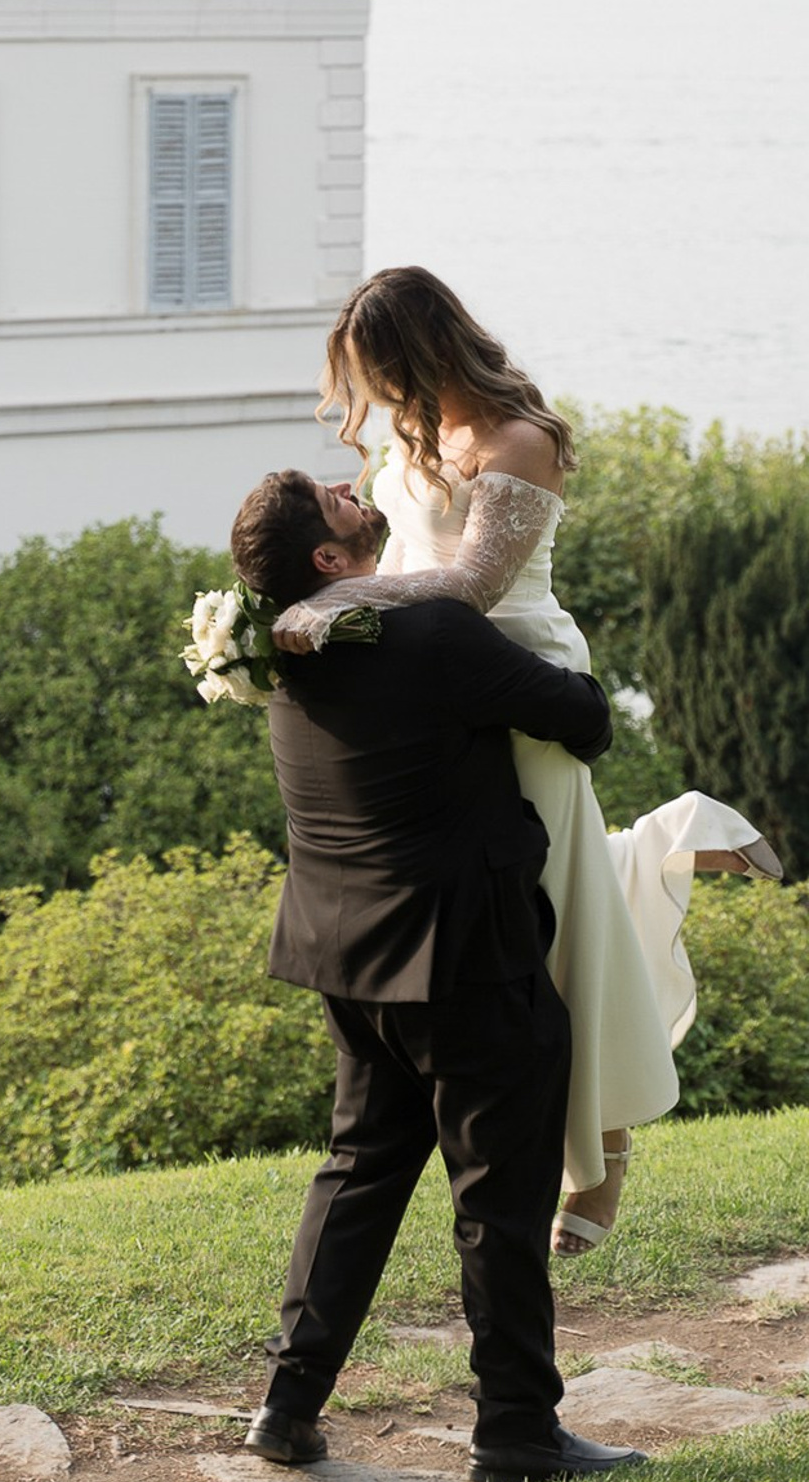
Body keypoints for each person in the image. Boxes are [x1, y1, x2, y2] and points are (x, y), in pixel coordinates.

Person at [270, 265, 780, 1252]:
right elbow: (384, 550)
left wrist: (344, 602)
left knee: (552, 921)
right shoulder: (411, 436)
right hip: (436, 690)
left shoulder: (519, 441)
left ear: (422, 347)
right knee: (504, 914)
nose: (372, 395)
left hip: (519, 678)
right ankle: (669, 849)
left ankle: (601, 1162)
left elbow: (468, 584)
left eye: (379, 368)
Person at [228, 468, 650, 1482]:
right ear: (332, 560)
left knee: (359, 1175)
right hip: (467, 955)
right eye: (332, 500)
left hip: (346, 955)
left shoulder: (283, 660)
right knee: (499, 1200)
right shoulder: (433, 636)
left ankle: (287, 1407)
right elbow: (584, 717)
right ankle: (517, 1434)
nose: (350, 484)